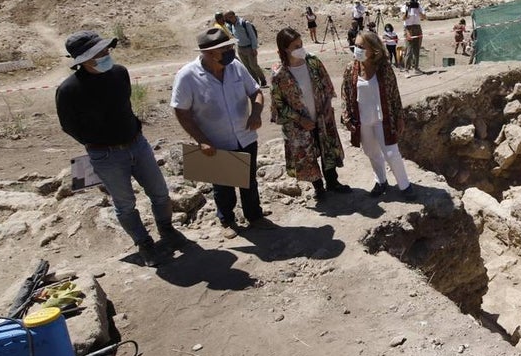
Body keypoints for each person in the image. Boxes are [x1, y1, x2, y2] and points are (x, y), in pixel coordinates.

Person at [56, 30, 180, 266]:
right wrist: (97, 143)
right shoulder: (68, 90)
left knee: (160, 192)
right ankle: (144, 244)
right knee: (124, 204)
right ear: (82, 61)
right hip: (106, 154)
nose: (105, 55)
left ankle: (167, 230)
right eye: (99, 53)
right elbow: (69, 126)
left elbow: (126, 104)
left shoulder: (120, 73)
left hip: (138, 144)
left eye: (105, 50)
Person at [171, 28, 273, 229]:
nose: (231, 51)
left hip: (245, 137)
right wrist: (201, 140)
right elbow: (182, 112)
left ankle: (255, 217)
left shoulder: (236, 66)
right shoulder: (187, 76)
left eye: (230, 47)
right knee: (223, 187)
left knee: (249, 182)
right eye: (225, 48)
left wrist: (255, 113)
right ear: (209, 53)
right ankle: (227, 222)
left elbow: (255, 92)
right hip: (216, 143)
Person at [270, 28, 349, 205]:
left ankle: (333, 182)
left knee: (327, 149)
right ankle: (318, 188)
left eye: (301, 44)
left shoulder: (312, 62)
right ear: (285, 49)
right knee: (307, 156)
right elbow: (278, 106)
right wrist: (300, 119)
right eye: (295, 46)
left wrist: (328, 106)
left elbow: (327, 86)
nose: (300, 48)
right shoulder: (279, 73)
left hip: (322, 117)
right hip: (299, 126)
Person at [340, 30, 415, 200]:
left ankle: (405, 185)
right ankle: (380, 181)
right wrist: (346, 116)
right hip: (363, 120)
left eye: (361, 46)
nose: (356, 49)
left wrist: (400, 117)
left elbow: (394, 94)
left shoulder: (384, 69)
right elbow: (345, 93)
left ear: (373, 49)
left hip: (383, 119)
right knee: (371, 152)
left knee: (391, 153)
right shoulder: (351, 69)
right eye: (355, 45)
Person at [224, 10, 267, 87]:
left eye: (230, 17)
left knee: (253, 65)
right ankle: (255, 82)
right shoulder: (232, 25)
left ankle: (263, 80)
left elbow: (252, 36)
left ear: (234, 15)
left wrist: (254, 48)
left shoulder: (244, 23)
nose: (229, 19)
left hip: (249, 48)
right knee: (247, 67)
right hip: (240, 48)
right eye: (228, 18)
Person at [402, 0, 426, 72]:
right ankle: (406, 69)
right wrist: (407, 10)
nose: (413, 1)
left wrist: (419, 12)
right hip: (408, 28)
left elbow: (424, 17)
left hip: (417, 27)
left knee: (417, 49)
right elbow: (403, 18)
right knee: (409, 50)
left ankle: (416, 67)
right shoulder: (405, 7)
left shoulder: (418, 6)